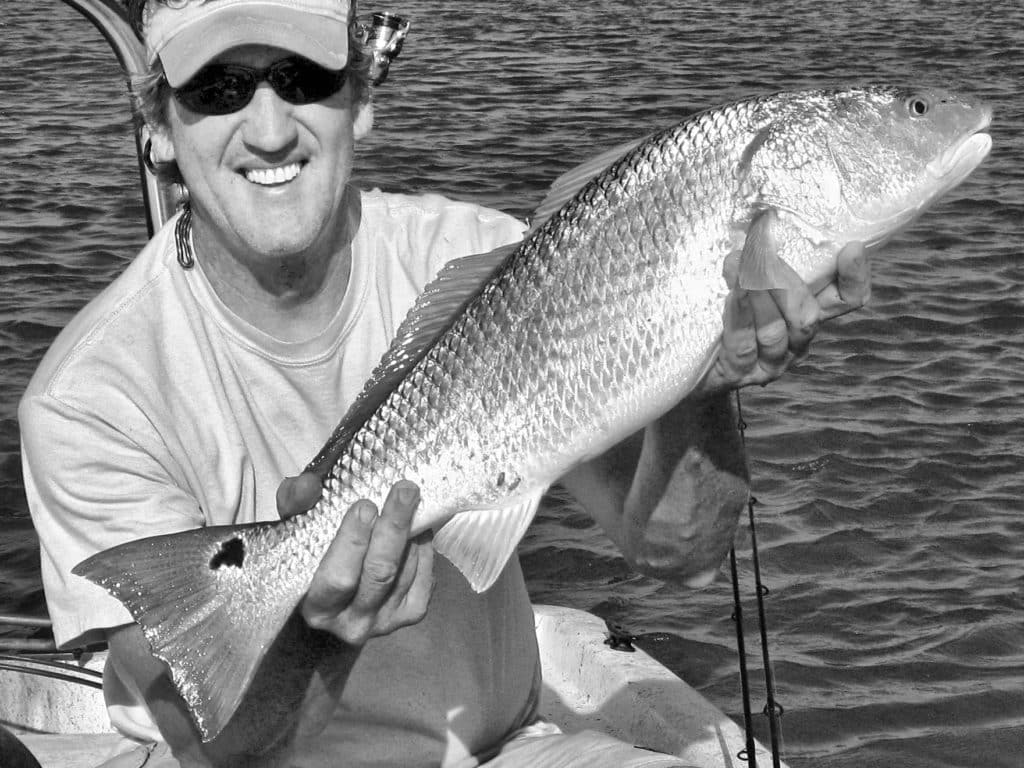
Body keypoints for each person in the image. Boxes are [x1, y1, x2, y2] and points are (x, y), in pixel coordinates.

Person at [19, 1, 871, 766]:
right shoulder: (90, 397)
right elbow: (198, 739)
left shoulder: (490, 264)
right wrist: (319, 636)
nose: (270, 127)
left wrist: (701, 380)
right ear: (160, 129)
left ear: (361, 101)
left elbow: (678, 549)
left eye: (303, 78)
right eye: (218, 88)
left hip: (507, 745)